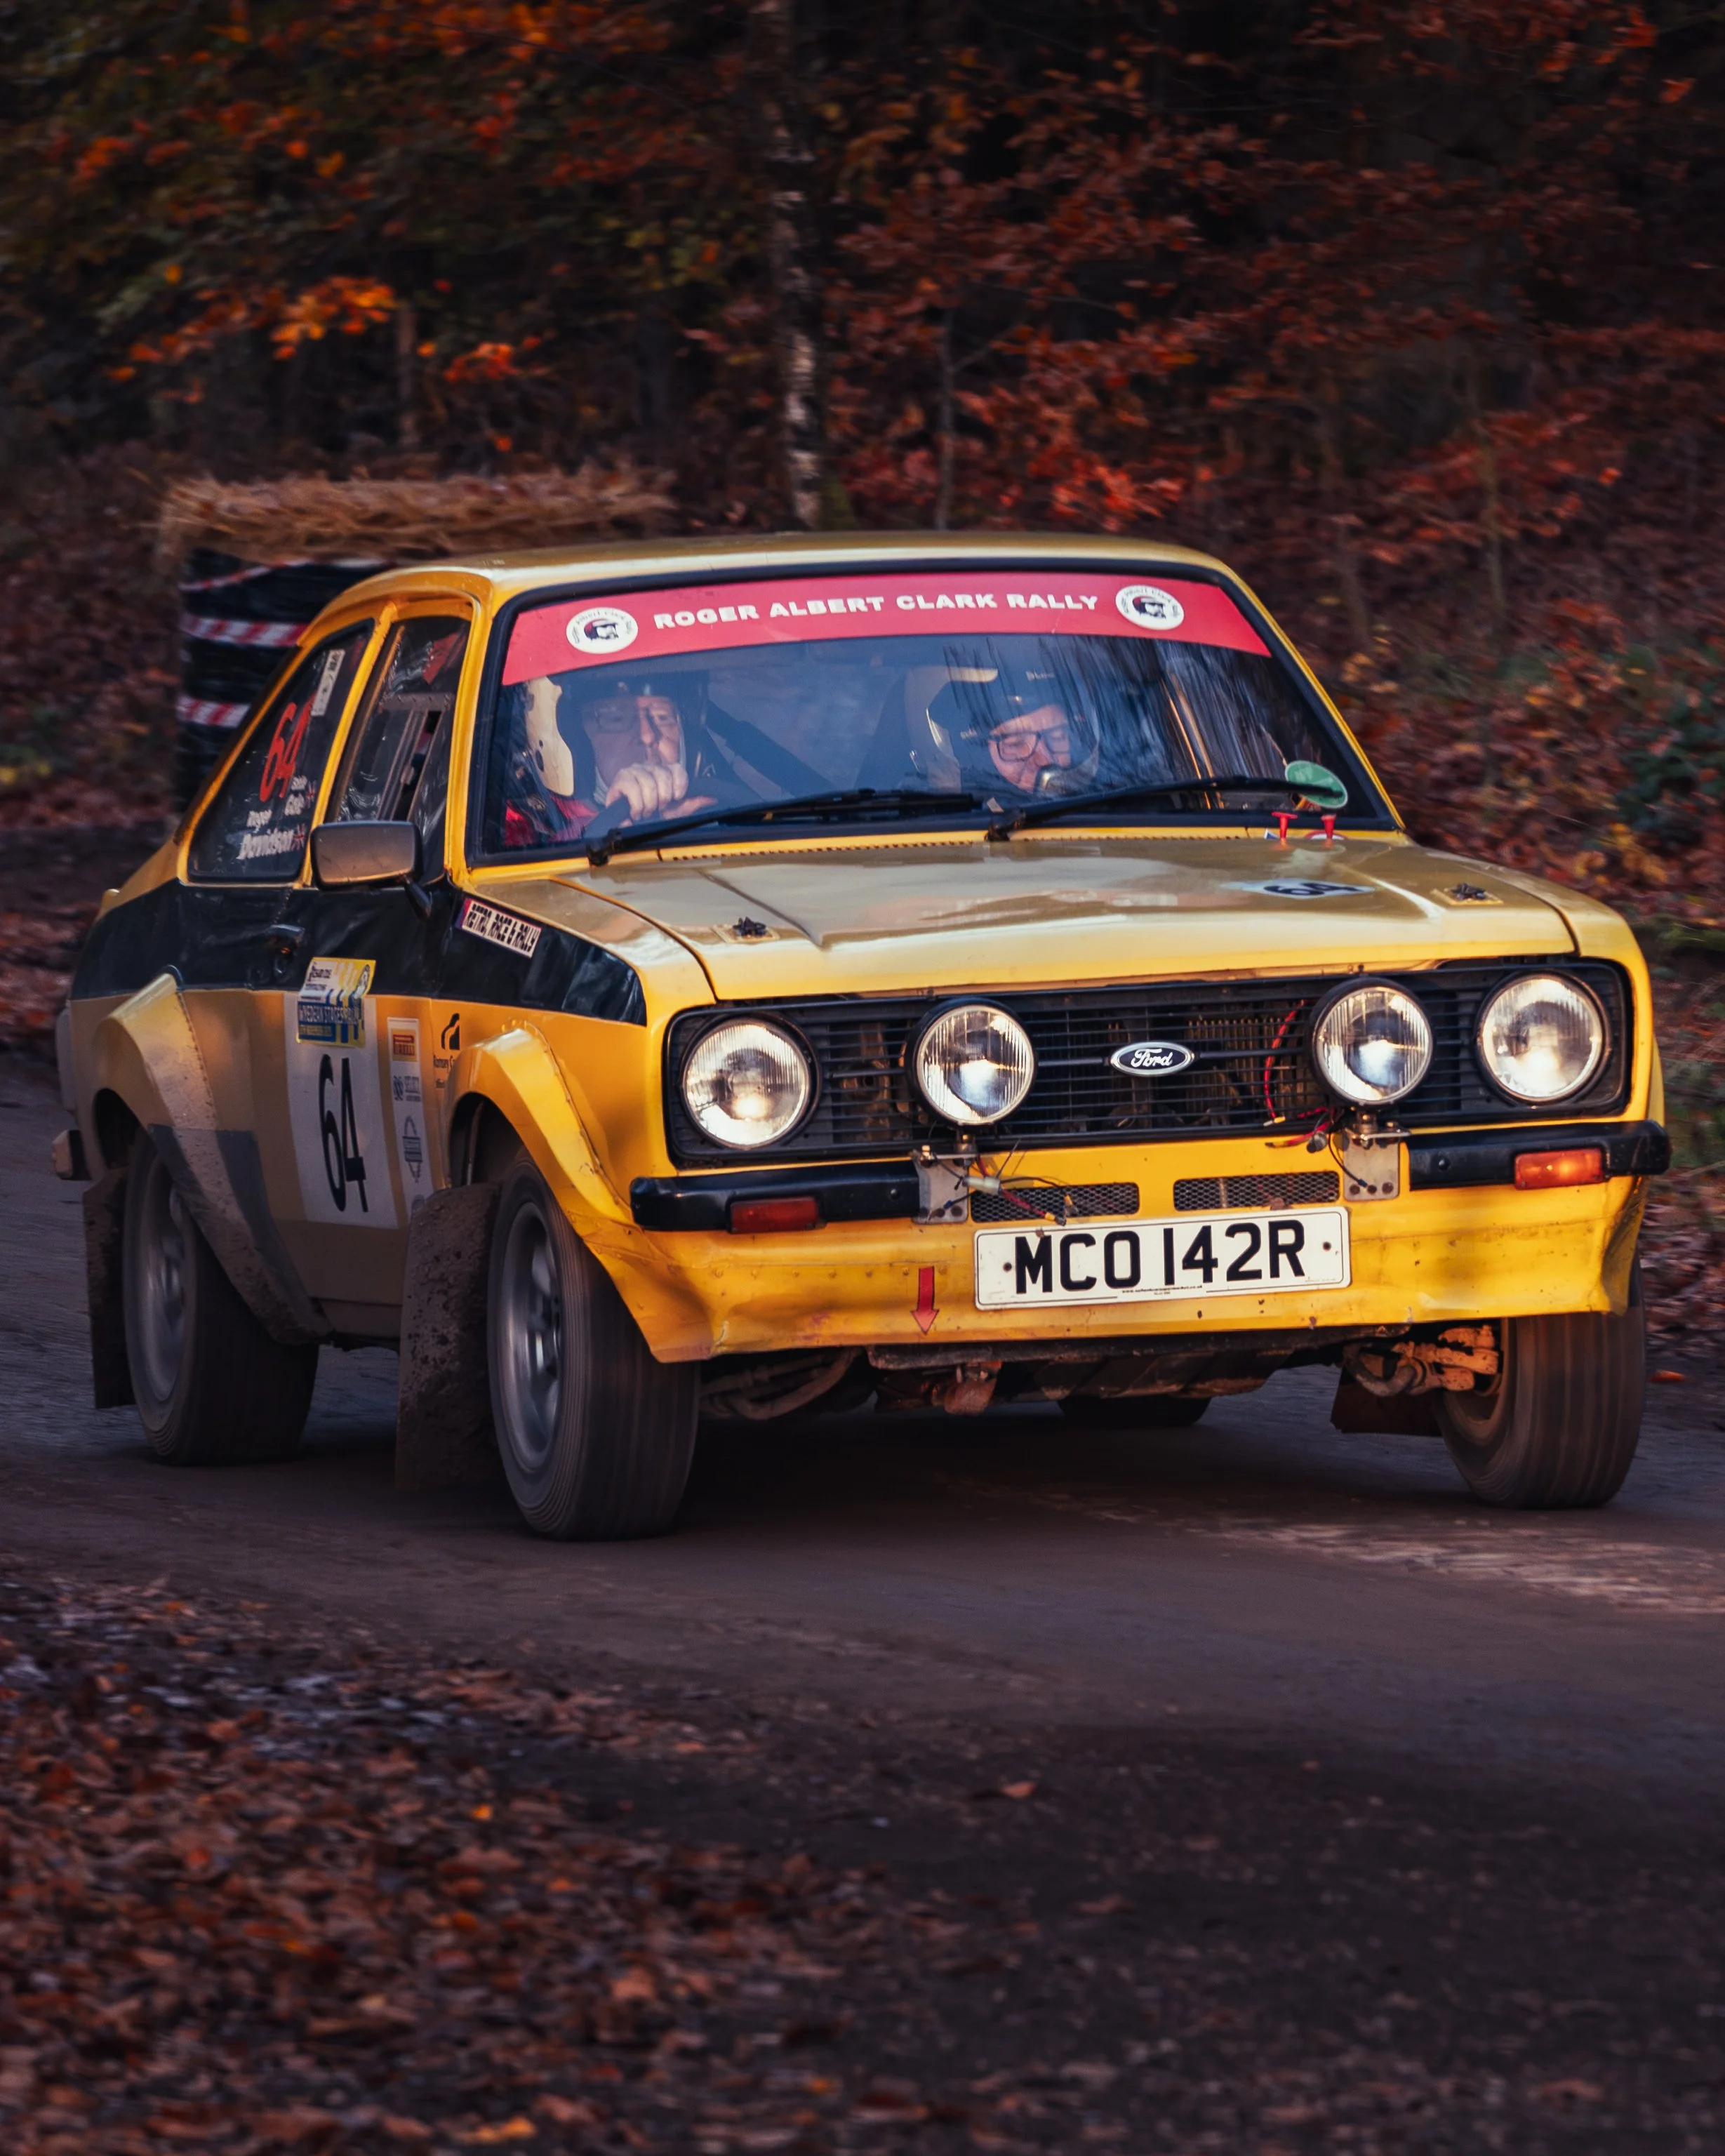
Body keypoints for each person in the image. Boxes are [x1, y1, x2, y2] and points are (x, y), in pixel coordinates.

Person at [503, 671, 723, 848]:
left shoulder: (724, 811)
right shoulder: (519, 828)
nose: (647, 736)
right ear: (573, 735)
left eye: (663, 717)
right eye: (616, 718)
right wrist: (605, 832)